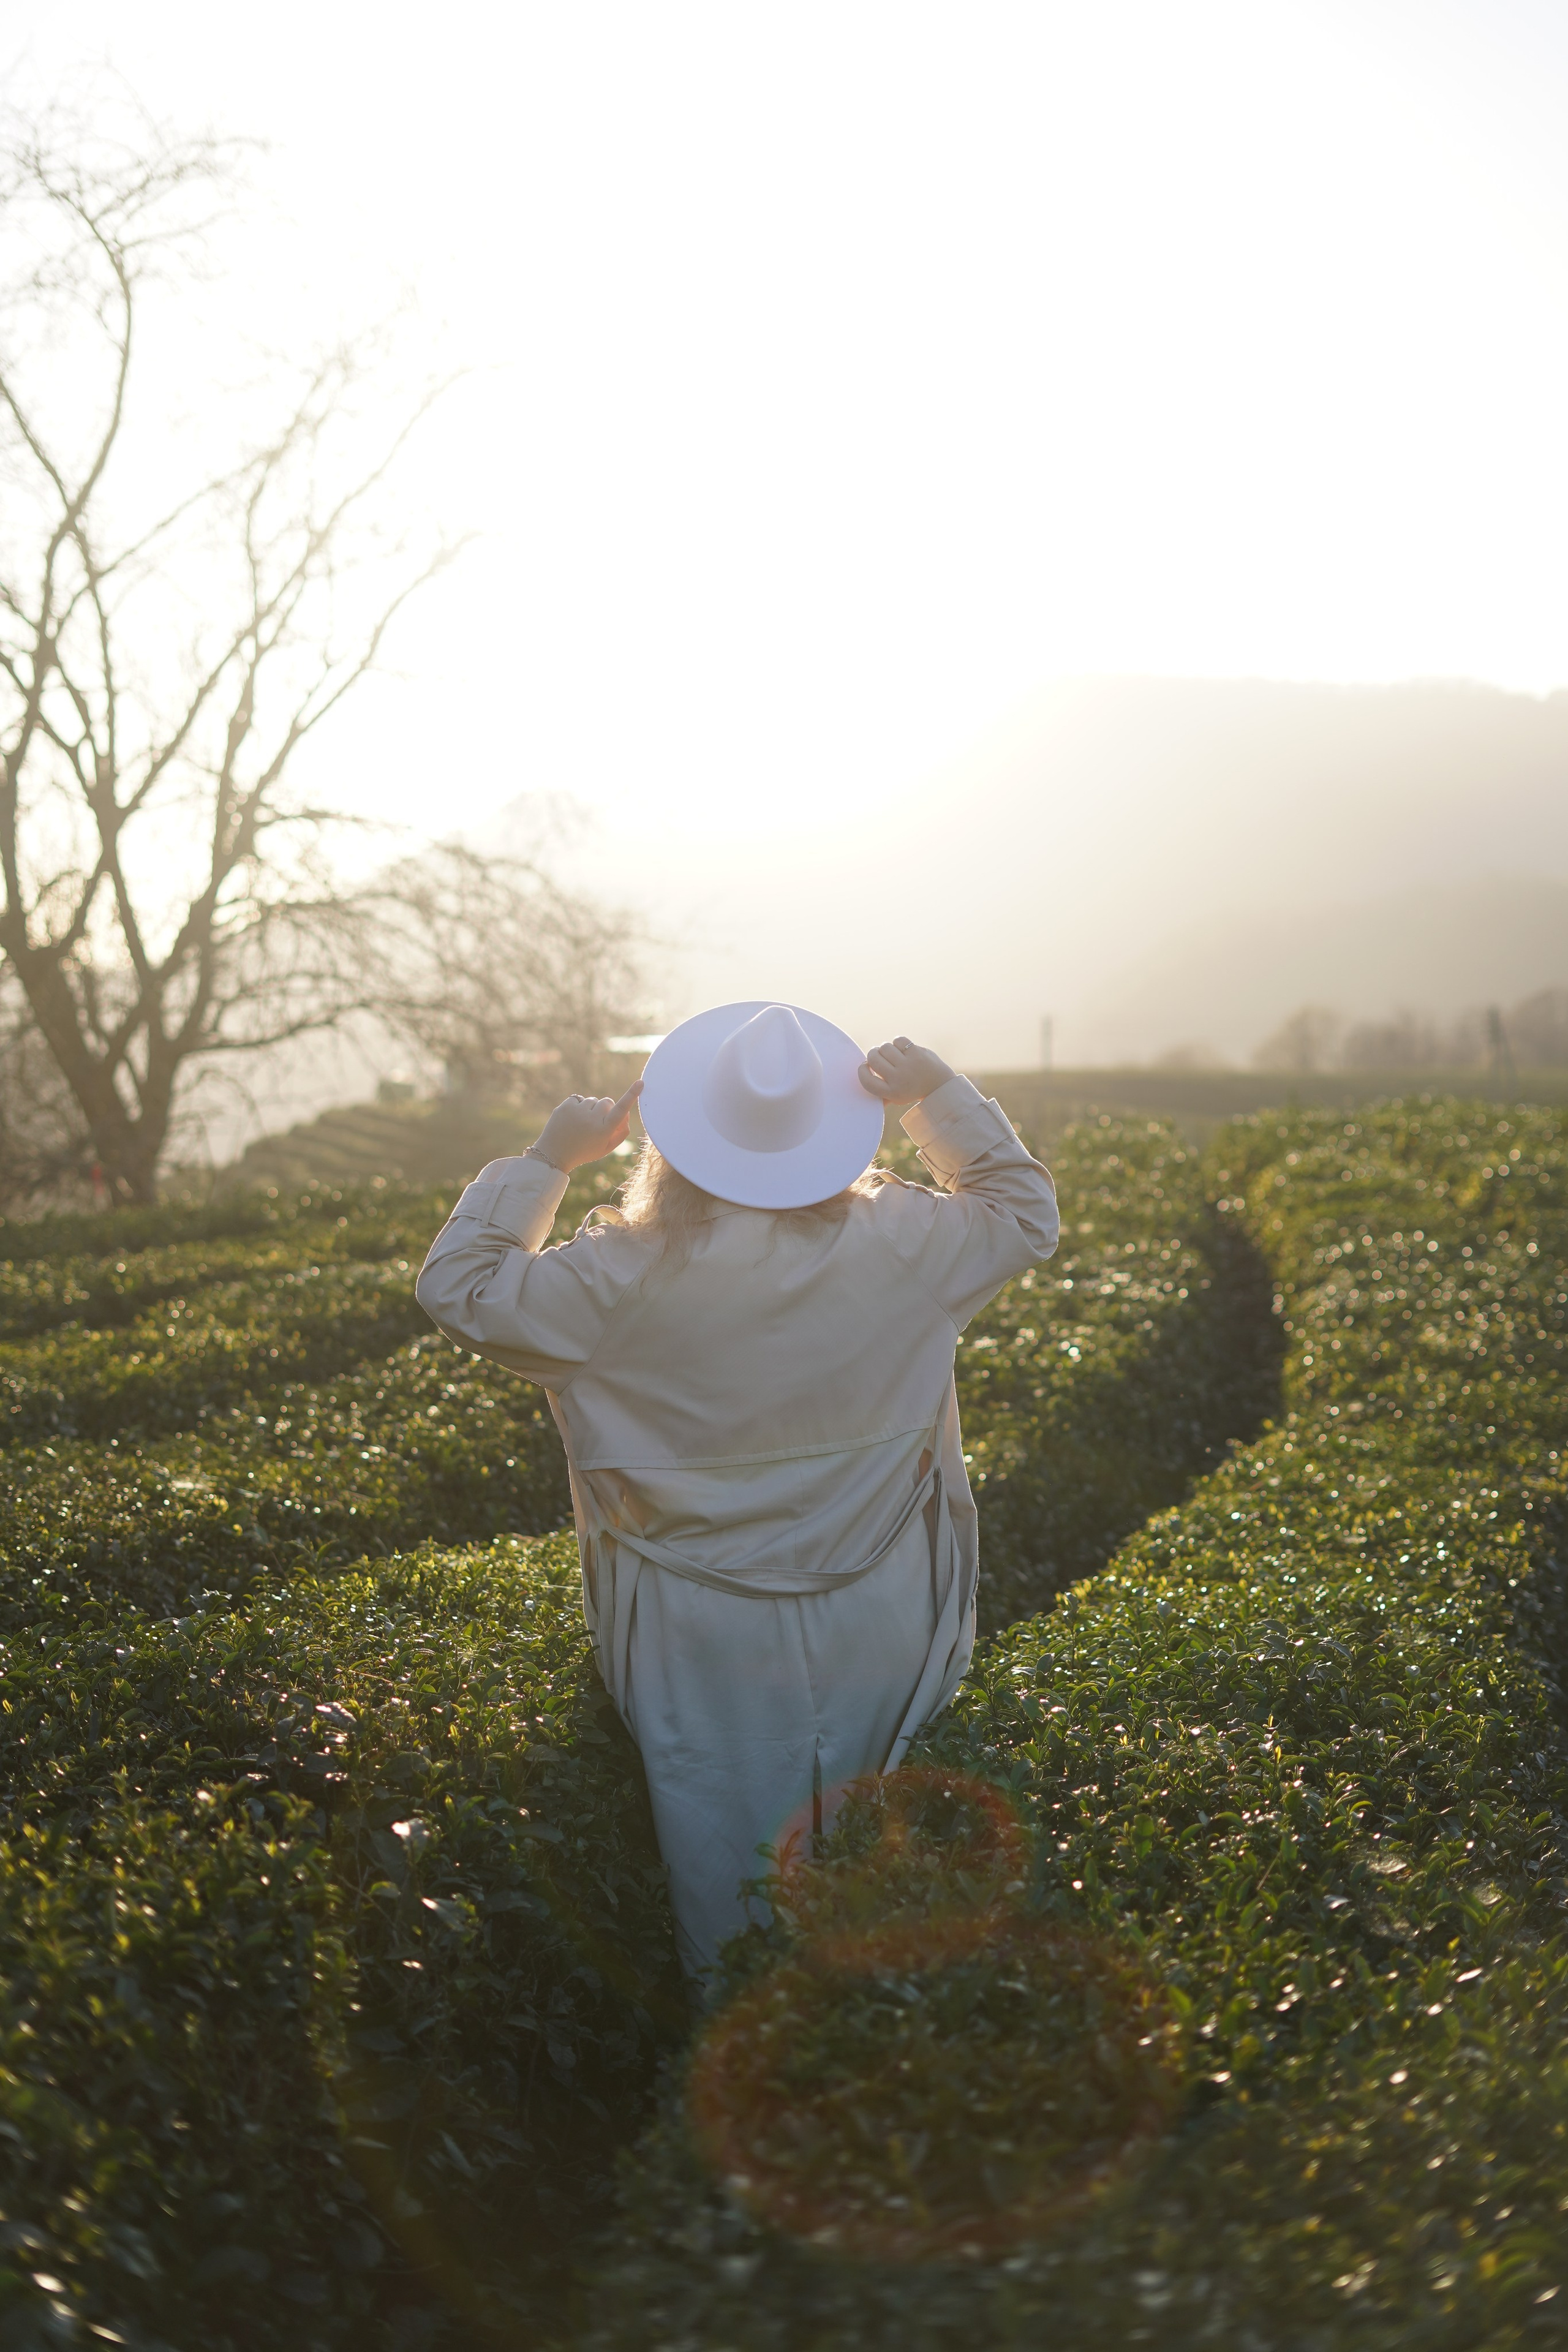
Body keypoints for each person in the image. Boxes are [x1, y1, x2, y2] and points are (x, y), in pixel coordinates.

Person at [415, 1003, 1059, 1994]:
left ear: (677, 1139)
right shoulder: (904, 1240)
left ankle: (734, 2080)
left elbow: (460, 1285)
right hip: (878, 1602)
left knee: (724, 1883)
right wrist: (936, 1095)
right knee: (876, 1851)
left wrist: (550, 1158)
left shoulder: (617, 1273)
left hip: (692, 1626)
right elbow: (1023, 1213)